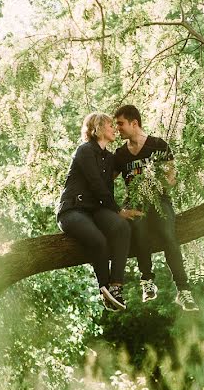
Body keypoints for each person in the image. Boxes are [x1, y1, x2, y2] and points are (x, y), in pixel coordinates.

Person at [113, 104, 199, 311]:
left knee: (168, 235)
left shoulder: (158, 145)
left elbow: (171, 178)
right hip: (135, 203)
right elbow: (105, 182)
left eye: (121, 124)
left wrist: (156, 177)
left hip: (160, 200)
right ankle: (147, 281)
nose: (118, 129)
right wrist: (117, 209)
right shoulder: (120, 154)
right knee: (140, 230)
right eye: (116, 125)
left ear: (135, 123)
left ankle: (184, 291)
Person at [58, 112, 143, 311]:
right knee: (99, 240)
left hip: (95, 211)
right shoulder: (85, 151)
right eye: (110, 125)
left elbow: (131, 163)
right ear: (97, 128)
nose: (114, 129)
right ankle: (105, 289)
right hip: (73, 211)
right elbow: (97, 185)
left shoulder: (109, 157)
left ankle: (116, 286)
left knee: (122, 227)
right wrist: (118, 209)